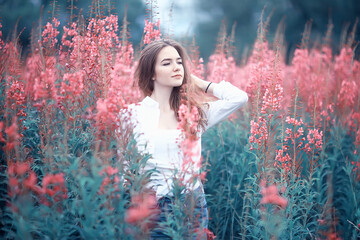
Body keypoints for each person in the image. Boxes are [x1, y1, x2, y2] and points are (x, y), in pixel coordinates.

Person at [122, 39, 248, 239]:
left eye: (179, 62)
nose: (176, 68)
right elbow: (126, 169)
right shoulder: (131, 115)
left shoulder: (195, 112)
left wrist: (199, 82)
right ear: (151, 73)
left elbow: (239, 98)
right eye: (167, 63)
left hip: (192, 204)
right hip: (152, 208)